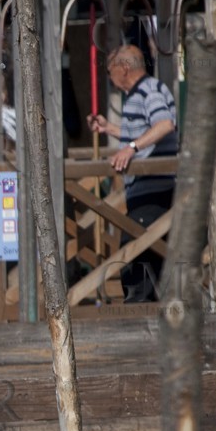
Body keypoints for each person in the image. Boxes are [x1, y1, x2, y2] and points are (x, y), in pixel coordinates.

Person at [88, 44, 177, 303]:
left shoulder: (148, 90)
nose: (108, 76)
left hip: (154, 187)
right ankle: (146, 310)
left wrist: (131, 148)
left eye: (109, 70)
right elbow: (144, 131)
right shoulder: (140, 94)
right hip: (145, 189)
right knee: (143, 253)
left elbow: (164, 125)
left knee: (134, 254)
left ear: (124, 68)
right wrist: (111, 129)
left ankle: (138, 313)